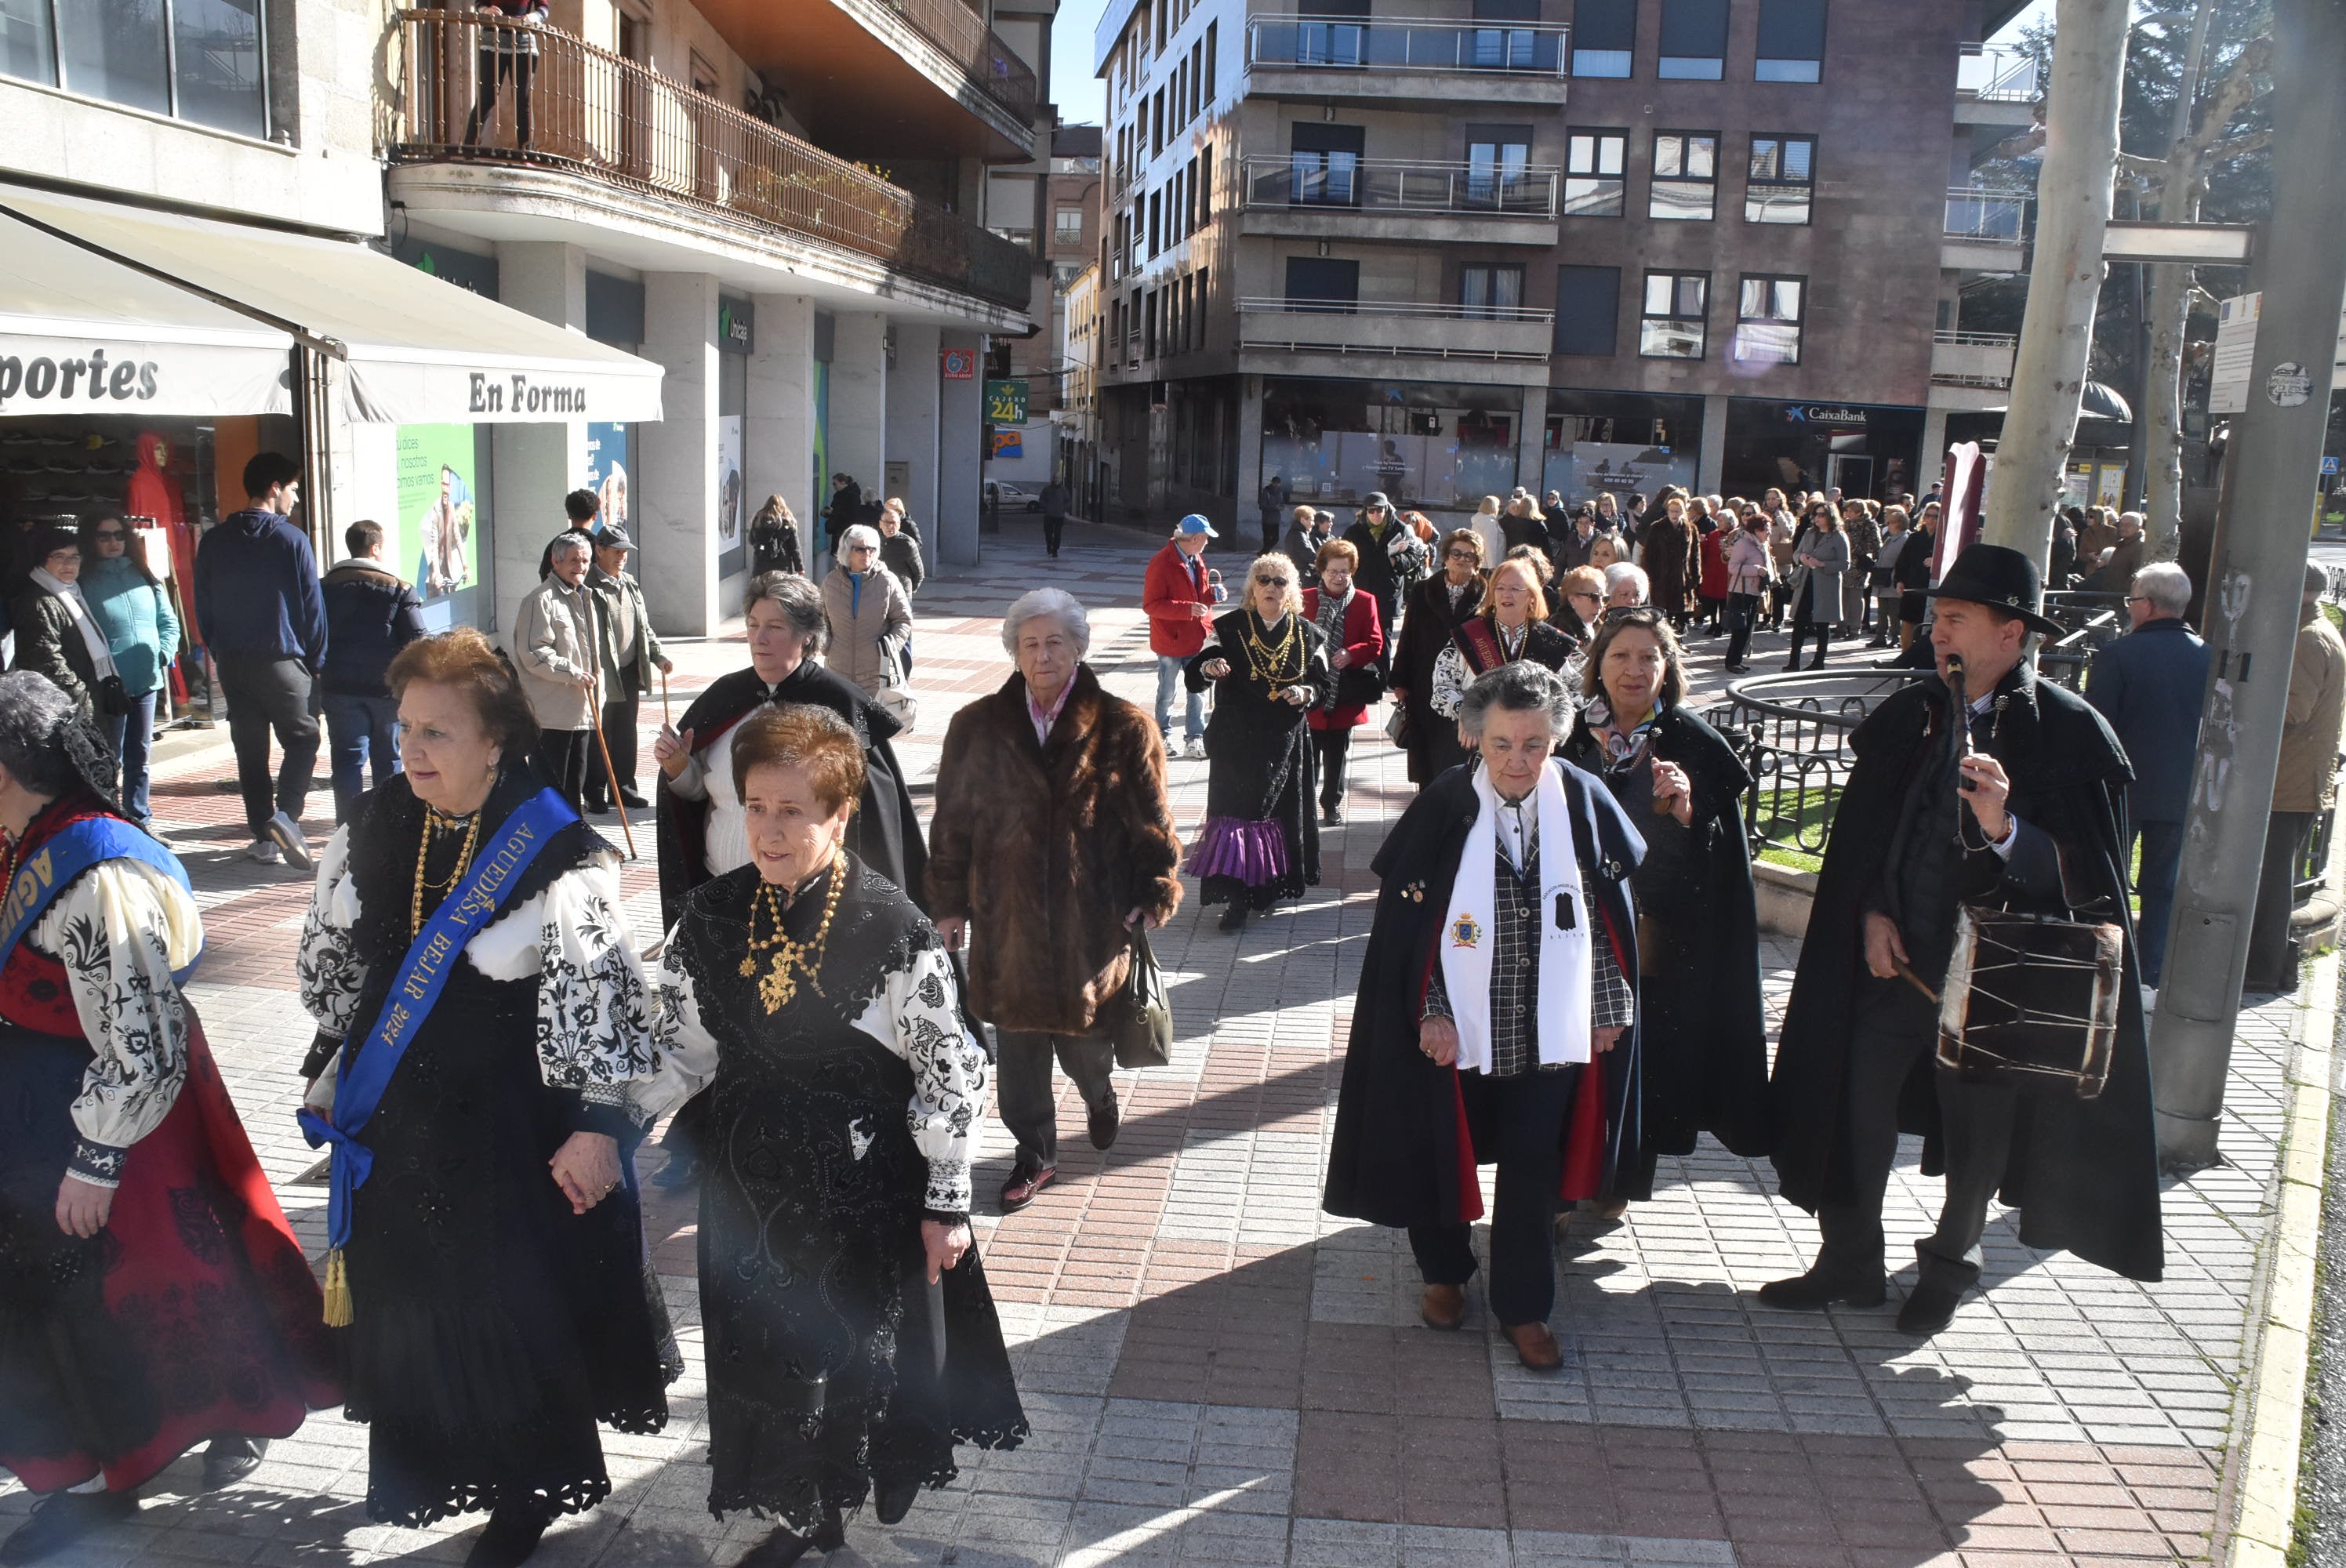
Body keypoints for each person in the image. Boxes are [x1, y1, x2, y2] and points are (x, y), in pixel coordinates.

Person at [294, 630, 673, 1564]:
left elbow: (612, 1008)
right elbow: (332, 982)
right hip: (403, 1121)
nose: (413, 751)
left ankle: (526, 1486)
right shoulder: (377, 822)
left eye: (439, 733)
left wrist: (597, 1128)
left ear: (498, 737)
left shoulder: (554, 850)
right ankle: (434, 1465)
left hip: (511, 1126)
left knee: (508, 1302)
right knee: (419, 1295)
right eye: (405, 729)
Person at [634, 706, 1025, 1559]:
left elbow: (950, 1071)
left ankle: (820, 1512)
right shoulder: (709, 913)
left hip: (858, 1188)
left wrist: (948, 1202)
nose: (767, 830)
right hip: (745, 1184)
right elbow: (683, 1049)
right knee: (758, 1352)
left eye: (792, 811)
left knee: (840, 1356)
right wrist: (601, 1114)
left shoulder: (893, 927)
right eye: (755, 806)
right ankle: (794, 1504)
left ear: (840, 816)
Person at [1764, 544, 2163, 1336]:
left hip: (1996, 982)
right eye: (1936, 617)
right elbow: (1869, 844)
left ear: (2010, 633)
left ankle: (1948, 1268)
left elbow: (2087, 883)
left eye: (1955, 619)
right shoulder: (1912, 713)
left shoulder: (2067, 733)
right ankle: (1849, 1259)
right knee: (1854, 1109)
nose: (1936, 631)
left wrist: (2004, 826)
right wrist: (1871, 911)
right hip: (1894, 965)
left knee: (1979, 1136)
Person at [0, 671, 336, 1566]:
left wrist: (95, 1157)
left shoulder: (95, 866)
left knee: (181, 1272)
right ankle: (97, 1457)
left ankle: (170, 1443)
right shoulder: (28, 836)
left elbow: (139, 1040)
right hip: (44, 1114)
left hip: (118, 1124)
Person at [1322, 662, 1642, 1370]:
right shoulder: (1444, 804)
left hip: (1549, 1030)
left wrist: (1610, 1007)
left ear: (1557, 739)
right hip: (1458, 1027)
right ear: (1475, 739)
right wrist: (1429, 1012)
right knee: (1437, 1150)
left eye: (1533, 743)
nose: (1518, 760)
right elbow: (1413, 932)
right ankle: (1443, 1273)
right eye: (1501, 743)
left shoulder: (1584, 800)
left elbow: (1612, 919)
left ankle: (1526, 1308)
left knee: (1534, 1171)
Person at [928, 589, 1182, 1210]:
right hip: (1005, 922)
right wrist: (949, 905)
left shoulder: (1125, 727)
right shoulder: (976, 727)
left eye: (1055, 642)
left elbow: (1153, 824)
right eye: (1030, 643)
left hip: (1089, 923)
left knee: (1084, 1049)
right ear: (1014, 652)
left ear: (1078, 648)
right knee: (1017, 1058)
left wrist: (1153, 892)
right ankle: (1034, 1152)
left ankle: (1098, 1094)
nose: (1042, 655)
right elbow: (951, 824)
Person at [1561, 612, 1770, 1203]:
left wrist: (1685, 812)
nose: (1634, 670)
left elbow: (1723, 858)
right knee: (1569, 1059)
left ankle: (1622, 1180)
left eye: (1649, 657)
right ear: (1598, 665)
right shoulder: (1568, 735)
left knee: (1643, 1062)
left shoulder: (1693, 743)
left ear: (1667, 667)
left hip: (1658, 940)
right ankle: (1560, 1182)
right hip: (1569, 929)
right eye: (1621, 656)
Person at [652, 572, 926, 931]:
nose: (759, 638)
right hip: (723, 898)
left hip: (810, 912)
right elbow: (699, 795)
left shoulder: (839, 704)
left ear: (807, 635)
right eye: (752, 625)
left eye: (775, 627)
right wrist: (677, 769)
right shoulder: (724, 696)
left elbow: (870, 815)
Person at [191, 452, 324, 869]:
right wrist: (316, 660)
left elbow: (203, 604)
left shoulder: (214, 539)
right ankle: (286, 816)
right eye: (293, 488)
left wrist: (218, 649)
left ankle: (263, 839)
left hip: (231, 660)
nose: (296, 498)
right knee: (303, 738)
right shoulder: (291, 539)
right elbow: (311, 607)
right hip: (282, 658)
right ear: (274, 488)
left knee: (250, 750)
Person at [1186, 555, 1331, 933]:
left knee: (1275, 815)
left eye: (1279, 581)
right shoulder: (1229, 627)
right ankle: (1237, 899)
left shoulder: (1309, 634)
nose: (1270, 587)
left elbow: (1324, 686)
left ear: (1291, 590)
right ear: (1252, 587)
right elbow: (1197, 670)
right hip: (1235, 741)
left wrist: (1305, 692)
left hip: (1283, 743)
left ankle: (1265, 890)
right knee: (1238, 817)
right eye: (1263, 580)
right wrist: (1208, 667)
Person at [2086, 562, 2206, 992]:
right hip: (2181, 789)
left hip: (2122, 791)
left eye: (2132, 599)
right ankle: (2151, 975)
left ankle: (2104, 969)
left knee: (2107, 881)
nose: (2129, 607)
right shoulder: (2207, 655)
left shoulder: (2119, 655)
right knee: (2163, 887)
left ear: (2149, 606)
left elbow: (2097, 727)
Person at [2246, 562, 2346, 994]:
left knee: (2270, 882)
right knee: (2273, 877)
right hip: (2296, 777)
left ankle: (2265, 971)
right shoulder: (2315, 631)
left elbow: (2291, 712)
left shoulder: (2307, 639)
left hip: (2288, 782)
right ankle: (2266, 967)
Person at [1424, 554, 1574, 781]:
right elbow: (1442, 688)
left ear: (1532, 597)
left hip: (1533, 753)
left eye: (1515, 589)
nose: (1506, 594)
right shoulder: (1468, 636)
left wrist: (1552, 726)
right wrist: (1465, 711)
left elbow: (1581, 692)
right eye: (1500, 588)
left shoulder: (1554, 642)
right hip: (1476, 745)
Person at [74, 514, 180, 829]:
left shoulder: (145, 575)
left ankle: (140, 818)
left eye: (119, 535)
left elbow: (168, 621)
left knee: (141, 758)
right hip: (109, 685)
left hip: (147, 679)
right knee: (111, 758)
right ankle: (109, 820)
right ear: (91, 540)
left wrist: (163, 651)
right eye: (104, 535)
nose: (113, 542)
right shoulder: (84, 581)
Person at [318, 520, 427, 823]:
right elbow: (419, 641)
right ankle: (385, 826)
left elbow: (311, 633)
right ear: (375, 547)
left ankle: (348, 828)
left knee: (347, 760)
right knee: (389, 758)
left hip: (338, 688)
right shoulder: (399, 589)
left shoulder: (323, 588)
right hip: (386, 690)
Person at [582, 527, 670, 815]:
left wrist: (658, 655)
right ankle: (594, 791)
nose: (622, 556)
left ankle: (623, 788)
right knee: (599, 733)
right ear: (600, 550)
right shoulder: (588, 586)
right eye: (617, 551)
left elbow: (643, 626)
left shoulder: (629, 583)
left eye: (625, 552)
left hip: (630, 669)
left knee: (625, 731)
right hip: (603, 673)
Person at [512, 533, 603, 812]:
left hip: (581, 711)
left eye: (586, 560)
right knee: (550, 789)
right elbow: (534, 654)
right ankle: (550, 848)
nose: (581, 566)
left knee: (575, 785)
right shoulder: (540, 600)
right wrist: (573, 673)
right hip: (552, 714)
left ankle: (574, 843)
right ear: (556, 560)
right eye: (574, 560)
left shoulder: (586, 596)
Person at [1390, 529, 1487, 786]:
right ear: (1445, 556)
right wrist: (1400, 682)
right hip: (1424, 681)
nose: (1462, 559)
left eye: (1469, 555)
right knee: (1427, 753)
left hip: (1467, 686)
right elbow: (1408, 636)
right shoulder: (1424, 590)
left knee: (1460, 752)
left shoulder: (1486, 595)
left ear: (1477, 561)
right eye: (1456, 553)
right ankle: (1428, 803)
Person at [1303, 539, 1384, 824]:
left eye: (1345, 572)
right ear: (1321, 571)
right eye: (1333, 571)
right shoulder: (1304, 598)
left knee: (1337, 755)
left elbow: (1375, 643)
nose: (1339, 577)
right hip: (1310, 692)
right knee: (1307, 754)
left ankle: (1331, 805)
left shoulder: (1365, 601)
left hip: (1344, 692)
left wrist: (1351, 653)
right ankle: (1304, 805)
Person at [9, 526, 118, 728]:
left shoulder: (72, 593)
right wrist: (81, 696)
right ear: (42, 561)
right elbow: (47, 660)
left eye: (74, 557)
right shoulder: (40, 600)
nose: (68, 564)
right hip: (61, 706)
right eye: (59, 557)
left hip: (78, 699)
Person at [1142, 514, 1222, 759]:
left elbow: (1201, 596)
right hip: (1170, 641)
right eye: (1206, 538)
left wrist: (1214, 595)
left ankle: (1194, 738)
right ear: (1195, 538)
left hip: (1196, 638)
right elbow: (1151, 605)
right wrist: (1186, 609)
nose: (1208, 542)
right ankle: (1162, 737)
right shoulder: (1161, 562)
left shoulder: (1196, 558)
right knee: (1167, 692)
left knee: (1197, 691)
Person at [820, 524, 914, 702]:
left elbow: (903, 620)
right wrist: (826, 645)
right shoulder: (831, 582)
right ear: (847, 551)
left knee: (869, 727)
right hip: (837, 671)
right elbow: (820, 618)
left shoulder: (887, 581)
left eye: (872, 549)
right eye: (861, 549)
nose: (867, 554)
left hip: (875, 675)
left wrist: (888, 648)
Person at [1342, 492, 1432, 673]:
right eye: (1371, 510)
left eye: (1380, 510)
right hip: (1361, 590)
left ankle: (1382, 679)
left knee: (1383, 636)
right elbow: (1342, 554)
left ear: (1387, 509)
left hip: (1388, 591)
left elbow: (1415, 556)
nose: (1376, 514)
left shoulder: (1400, 528)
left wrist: (1397, 562)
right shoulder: (1354, 531)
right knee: (1358, 634)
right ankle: (1357, 676)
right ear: (1365, 512)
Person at [462, 0, 547, 149]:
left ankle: (527, 153)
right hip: (492, 41)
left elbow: (544, 9)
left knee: (523, 99)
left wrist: (531, 17)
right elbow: (479, 2)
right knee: (487, 98)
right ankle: (468, 150)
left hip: (523, 43)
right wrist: (485, 10)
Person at [1783, 500, 1847, 670]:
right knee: (1799, 622)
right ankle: (1793, 661)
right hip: (1805, 582)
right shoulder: (1809, 533)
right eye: (1815, 514)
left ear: (1830, 516)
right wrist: (1801, 558)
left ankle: (1819, 661)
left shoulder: (1839, 536)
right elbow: (1797, 553)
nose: (1817, 518)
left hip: (1826, 584)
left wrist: (1823, 564)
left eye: (1821, 514)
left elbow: (1845, 564)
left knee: (1822, 623)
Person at [1722, 508, 1772, 673]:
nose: (1769, 532)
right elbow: (1733, 567)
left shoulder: (1761, 544)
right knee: (1739, 629)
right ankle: (1732, 662)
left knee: (1747, 629)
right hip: (1741, 592)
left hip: (1754, 591)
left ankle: (1738, 660)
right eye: (1766, 529)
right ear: (1757, 530)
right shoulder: (1743, 544)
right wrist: (1756, 570)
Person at [1641, 495, 1696, 631]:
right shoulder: (1657, 527)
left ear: (1683, 512)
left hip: (1682, 579)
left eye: (1677, 511)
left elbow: (1695, 555)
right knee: (1662, 616)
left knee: (1681, 616)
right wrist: (1649, 576)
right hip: (1662, 578)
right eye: (1672, 510)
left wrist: (1696, 577)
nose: (1674, 514)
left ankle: (1680, 642)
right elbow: (1648, 554)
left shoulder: (1690, 529)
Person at [1869, 506, 1915, 648]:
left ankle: (1895, 638)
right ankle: (1880, 637)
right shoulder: (1890, 538)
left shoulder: (1905, 539)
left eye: (1890, 523)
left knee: (1894, 613)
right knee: (1882, 612)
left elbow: (1903, 561)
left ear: (1898, 524)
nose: (1888, 525)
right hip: (1883, 581)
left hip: (1893, 581)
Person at [533, 488, 599, 581]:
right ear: (595, 516)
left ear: (569, 515)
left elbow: (545, 573)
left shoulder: (556, 544)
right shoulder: (601, 546)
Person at [1841, 499, 1882, 637]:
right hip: (1844, 563)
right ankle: (1841, 626)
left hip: (1858, 565)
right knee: (1843, 596)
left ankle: (1854, 628)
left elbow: (1876, 545)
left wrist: (1856, 548)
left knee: (1855, 597)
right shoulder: (1846, 523)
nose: (1847, 513)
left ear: (1859, 512)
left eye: (1850, 511)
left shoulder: (1870, 525)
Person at [748, 494, 805, 578]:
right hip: (782, 566)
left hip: (761, 565)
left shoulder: (758, 520)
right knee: (780, 589)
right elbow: (794, 548)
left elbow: (752, 540)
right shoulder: (788, 522)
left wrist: (762, 546)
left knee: (761, 589)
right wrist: (800, 568)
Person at [877, 504, 925, 597]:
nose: (890, 526)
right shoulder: (874, 541)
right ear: (880, 524)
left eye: (894, 523)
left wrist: (909, 591)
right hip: (880, 595)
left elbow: (919, 574)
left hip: (901, 595)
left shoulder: (907, 544)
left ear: (899, 525)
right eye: (886, 522)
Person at [1555, 564, 1606, 644]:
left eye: (1604, 599)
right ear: (1572, 600)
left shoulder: (1602, 628)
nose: (1600, 606)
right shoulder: (1561, 630)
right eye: (1594, 597)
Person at [1278, 504, 1326, 587]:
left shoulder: (1297, 533)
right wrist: (1324, 562)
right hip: (1302, 575)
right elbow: (1308, 555)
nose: (1313, 524)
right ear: (1303, 520)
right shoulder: (1299, 535)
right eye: (1311, 520)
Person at [1040, 475, 1071, 557]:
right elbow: (1042, 499)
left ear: (1061, 480)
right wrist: (1046, 507)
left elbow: (1068, 501)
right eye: (1056, 478)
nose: (1057, 480)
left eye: (1059, 478)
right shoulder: (1047, 489)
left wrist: (1063, 508)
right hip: (1049, 515)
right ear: (1053, 479)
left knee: (1058, 533)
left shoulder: (1064, 490)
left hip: (1059, 515)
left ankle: (1055, 549)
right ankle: (1049, 545)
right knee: (1048, 533)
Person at [1258, 475, 1287, 553]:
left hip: (1276, 519)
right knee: (1267, 538)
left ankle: (1264, 551)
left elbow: (1281, 502)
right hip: (1267, 519)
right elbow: (1262, 506)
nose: (1276, 485)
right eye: (1275, 484)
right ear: (1272, 483)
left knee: (1275, 538)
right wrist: (1275, 507)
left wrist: (1282, 506)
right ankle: (1264, 552)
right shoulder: (1266, 491)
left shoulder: (1280, 492)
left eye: (1278, 484)